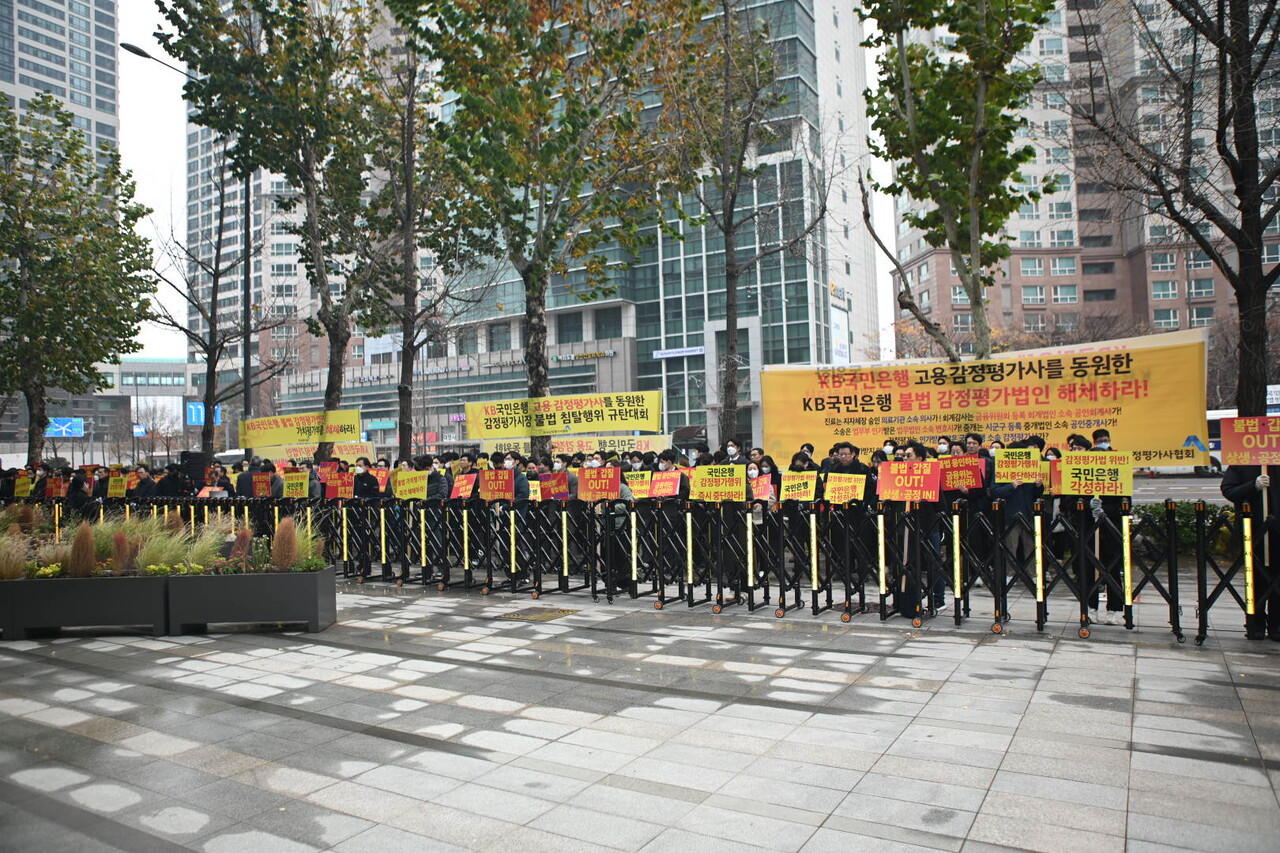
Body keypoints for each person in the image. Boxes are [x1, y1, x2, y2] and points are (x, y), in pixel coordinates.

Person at [1221, 464, 1280, 640]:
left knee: (1277, 578)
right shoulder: (1242, 462)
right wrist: (1253, 486)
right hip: (1253, 531)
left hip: (1277, 532)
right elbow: (1229, 490)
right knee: (1255, 578)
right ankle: (1256, 622)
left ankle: (1277, 624)